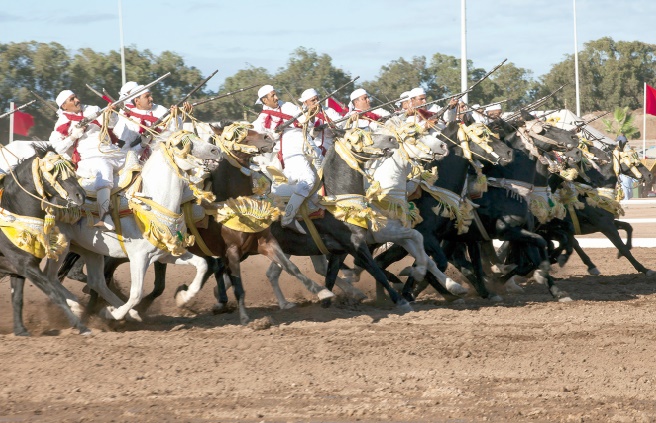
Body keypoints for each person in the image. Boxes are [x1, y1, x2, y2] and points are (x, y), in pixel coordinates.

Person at [49, 90, 123, 231]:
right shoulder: (62, 122)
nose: (77, 100)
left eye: (76, 96)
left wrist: (111, 113)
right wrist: (73, 136)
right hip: (88, 158)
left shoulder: (93, 109)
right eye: (72, 99)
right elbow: (57, 148)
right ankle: (104, 214)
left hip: (111, 151)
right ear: (64, 106)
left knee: (135, 162)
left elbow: (111, 125)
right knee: (104, 167)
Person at [251, 84, 314, 234]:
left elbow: (308, 122)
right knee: (308, 180)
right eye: (272, 96)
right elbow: (258, 138)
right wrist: (274, 134)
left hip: (309, 148)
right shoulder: (262, 118)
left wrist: (309, 115)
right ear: (264, 100)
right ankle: (288, 217)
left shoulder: (289, 106)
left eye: (275, 94)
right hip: (290, 152)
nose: (277, 97)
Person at [113, 82, 191, 158]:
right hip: (143, 163)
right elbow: (126, 153)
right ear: (137, 101)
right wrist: (142, 144)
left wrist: (175, 117)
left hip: (168, 154)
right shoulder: (128, 120)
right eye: (147, 97)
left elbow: (176, 131)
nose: (151, 99)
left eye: (150, 95)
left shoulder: (160, 109)